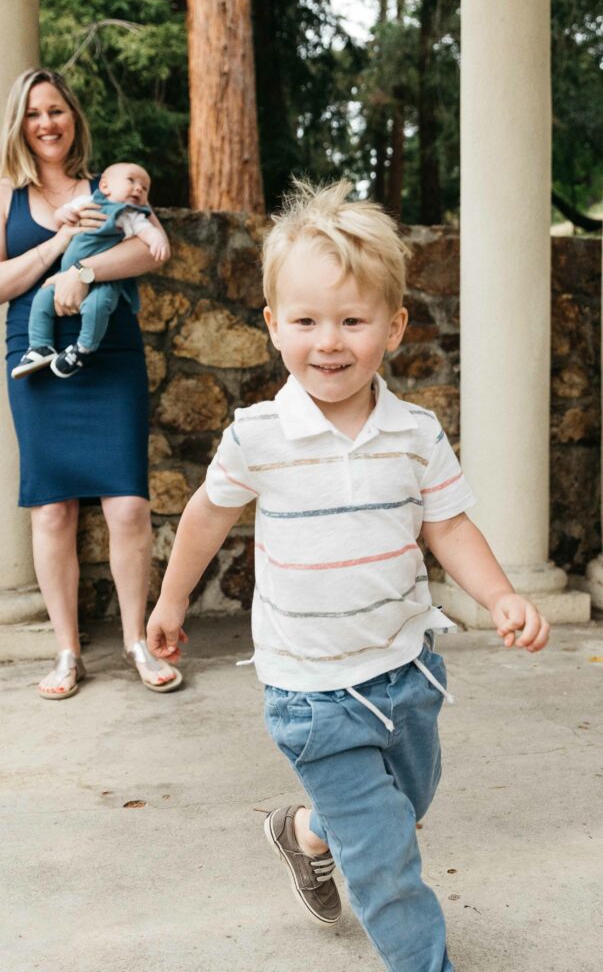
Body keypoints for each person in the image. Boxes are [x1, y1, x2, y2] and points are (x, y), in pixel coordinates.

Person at [146, 181, 550, 970]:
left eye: (351, 321)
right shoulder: (259, 435)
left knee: (404, 805)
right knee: (386, 858)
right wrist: (168, 601)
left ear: (393, 328)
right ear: (271, 325)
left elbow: (446, 525)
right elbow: (204, 516)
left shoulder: (414, 431)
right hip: (310, 693)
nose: (326, 342)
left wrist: (498, 594)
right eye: (304, 321)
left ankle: (302, 832)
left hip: (405, 672)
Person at [0, 67, 182, 698]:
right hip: (33, 354)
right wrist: (56, 246)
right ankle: (67, 653)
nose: (47, 124)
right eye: (34, 113)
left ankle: (137, 644)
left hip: (108, 353)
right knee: (53, 509)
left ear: (73, 117)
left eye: (56, 111)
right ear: (20, 123)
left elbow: (152, 246)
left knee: (128, 503)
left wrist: (83, 271)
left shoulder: (109, 185)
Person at [12, 161, 169, 379]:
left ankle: (83, 348)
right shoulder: (87, 202)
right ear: (105, 187)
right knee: (42, 300)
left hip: (106, 279)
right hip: (64, 276)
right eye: (131, 180)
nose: (139, 188)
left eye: (144, 187)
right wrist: (62, 217)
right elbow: (63, 214)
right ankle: (40, 346)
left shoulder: (131, 216)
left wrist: (158, 240)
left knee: (98, 306)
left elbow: (149, 236)